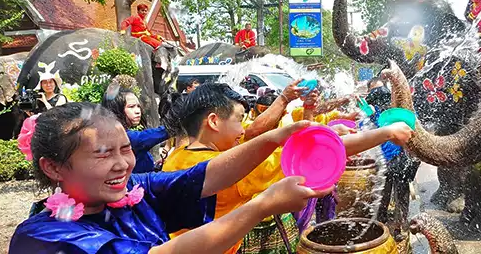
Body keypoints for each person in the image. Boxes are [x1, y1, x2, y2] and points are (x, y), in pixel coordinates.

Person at [9, 102, 327, 253]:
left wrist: (275, 138)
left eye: (126, 149)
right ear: (53, 167)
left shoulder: (130, 191)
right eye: (104, 153)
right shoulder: (42, 237)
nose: (122, 164)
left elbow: (204, 176)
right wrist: (261, 206)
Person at [162, 82, 413, 254]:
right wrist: (386, 132)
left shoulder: (175, 158)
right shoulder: (231, 171)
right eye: (239, 119)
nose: (243, 130)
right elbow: (318, 153)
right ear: (214, 121)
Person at [102, 87, 170, 173]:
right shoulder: (123, 137)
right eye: (131, 107)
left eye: (138, 106)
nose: (138, 111)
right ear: (116, 109)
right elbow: (150, 136)